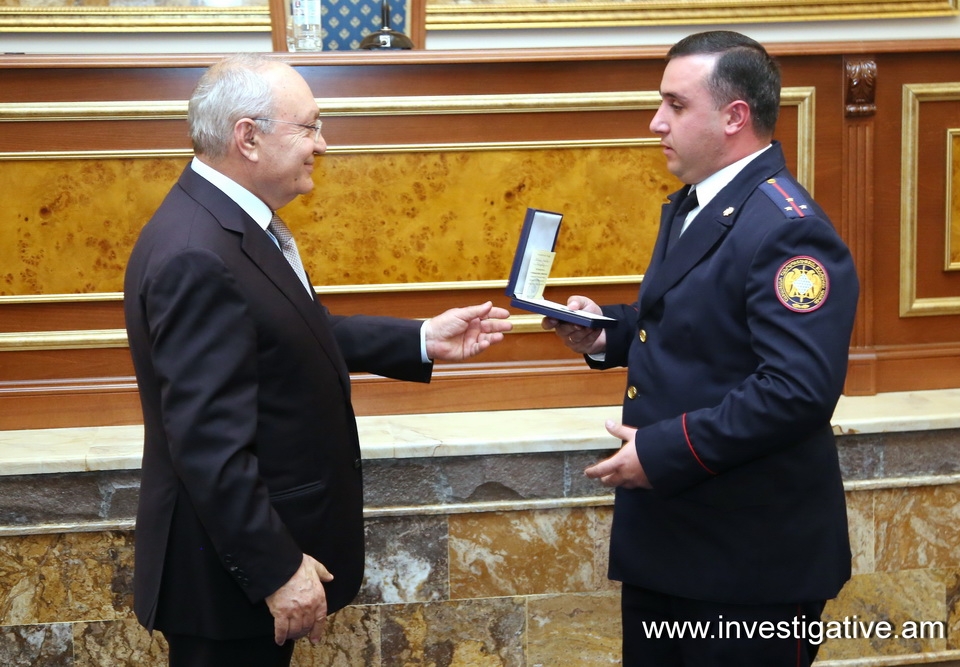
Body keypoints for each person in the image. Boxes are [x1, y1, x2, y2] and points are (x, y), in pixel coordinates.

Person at [123, 53, 512, 667]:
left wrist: (421, 339)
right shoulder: (198, 252)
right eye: (308, 127)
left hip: (234, 575)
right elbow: (207, 445)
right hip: (225, 587)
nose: (322, 145)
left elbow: (293, 331)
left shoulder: (227, 223)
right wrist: (277, 568)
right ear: (248, 137)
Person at [542, 31, 858, 666]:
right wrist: (606, 332)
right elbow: (692, 324)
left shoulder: (789, 230)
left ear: (734, 116)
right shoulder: (701, 201)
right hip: (679, 546)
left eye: (676, 105)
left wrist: (661, 451)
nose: (656, 122)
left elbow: (796, 391)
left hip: (748, 566)